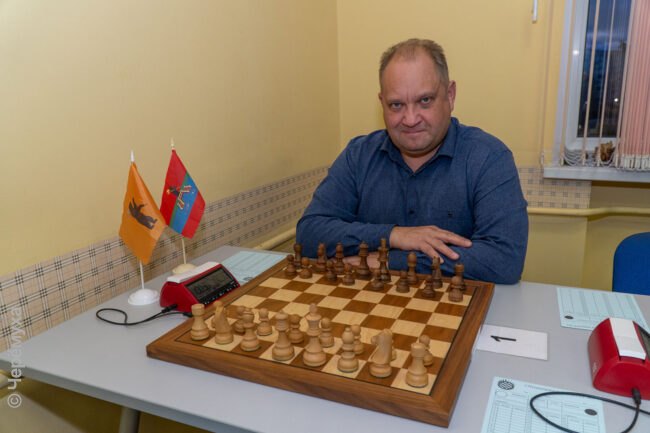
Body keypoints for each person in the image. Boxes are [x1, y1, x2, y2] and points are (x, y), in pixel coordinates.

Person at [296, 38, 528, 284]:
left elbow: (505, 260)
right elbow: (309, 233)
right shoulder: (358, 155)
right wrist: (394, 235)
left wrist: (388, 259)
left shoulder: (489, 157)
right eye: (396, 105)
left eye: (424, 101)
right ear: (382, 104)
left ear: (450, 95)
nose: (410, 119)